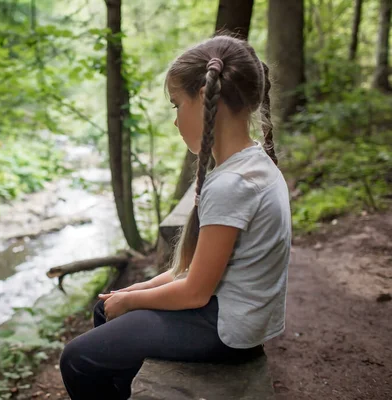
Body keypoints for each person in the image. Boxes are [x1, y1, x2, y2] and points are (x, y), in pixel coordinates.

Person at [59, 34, 292, 400]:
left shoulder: (232, 183)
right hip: (236, 315)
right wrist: (137, 289)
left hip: (225, 329)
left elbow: (195, 291)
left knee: (77, 359)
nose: (175, 120)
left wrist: (132, 301)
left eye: (175, 105)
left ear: (203, 97)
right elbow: (198, 269)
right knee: (107, 307)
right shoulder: (254, 162)